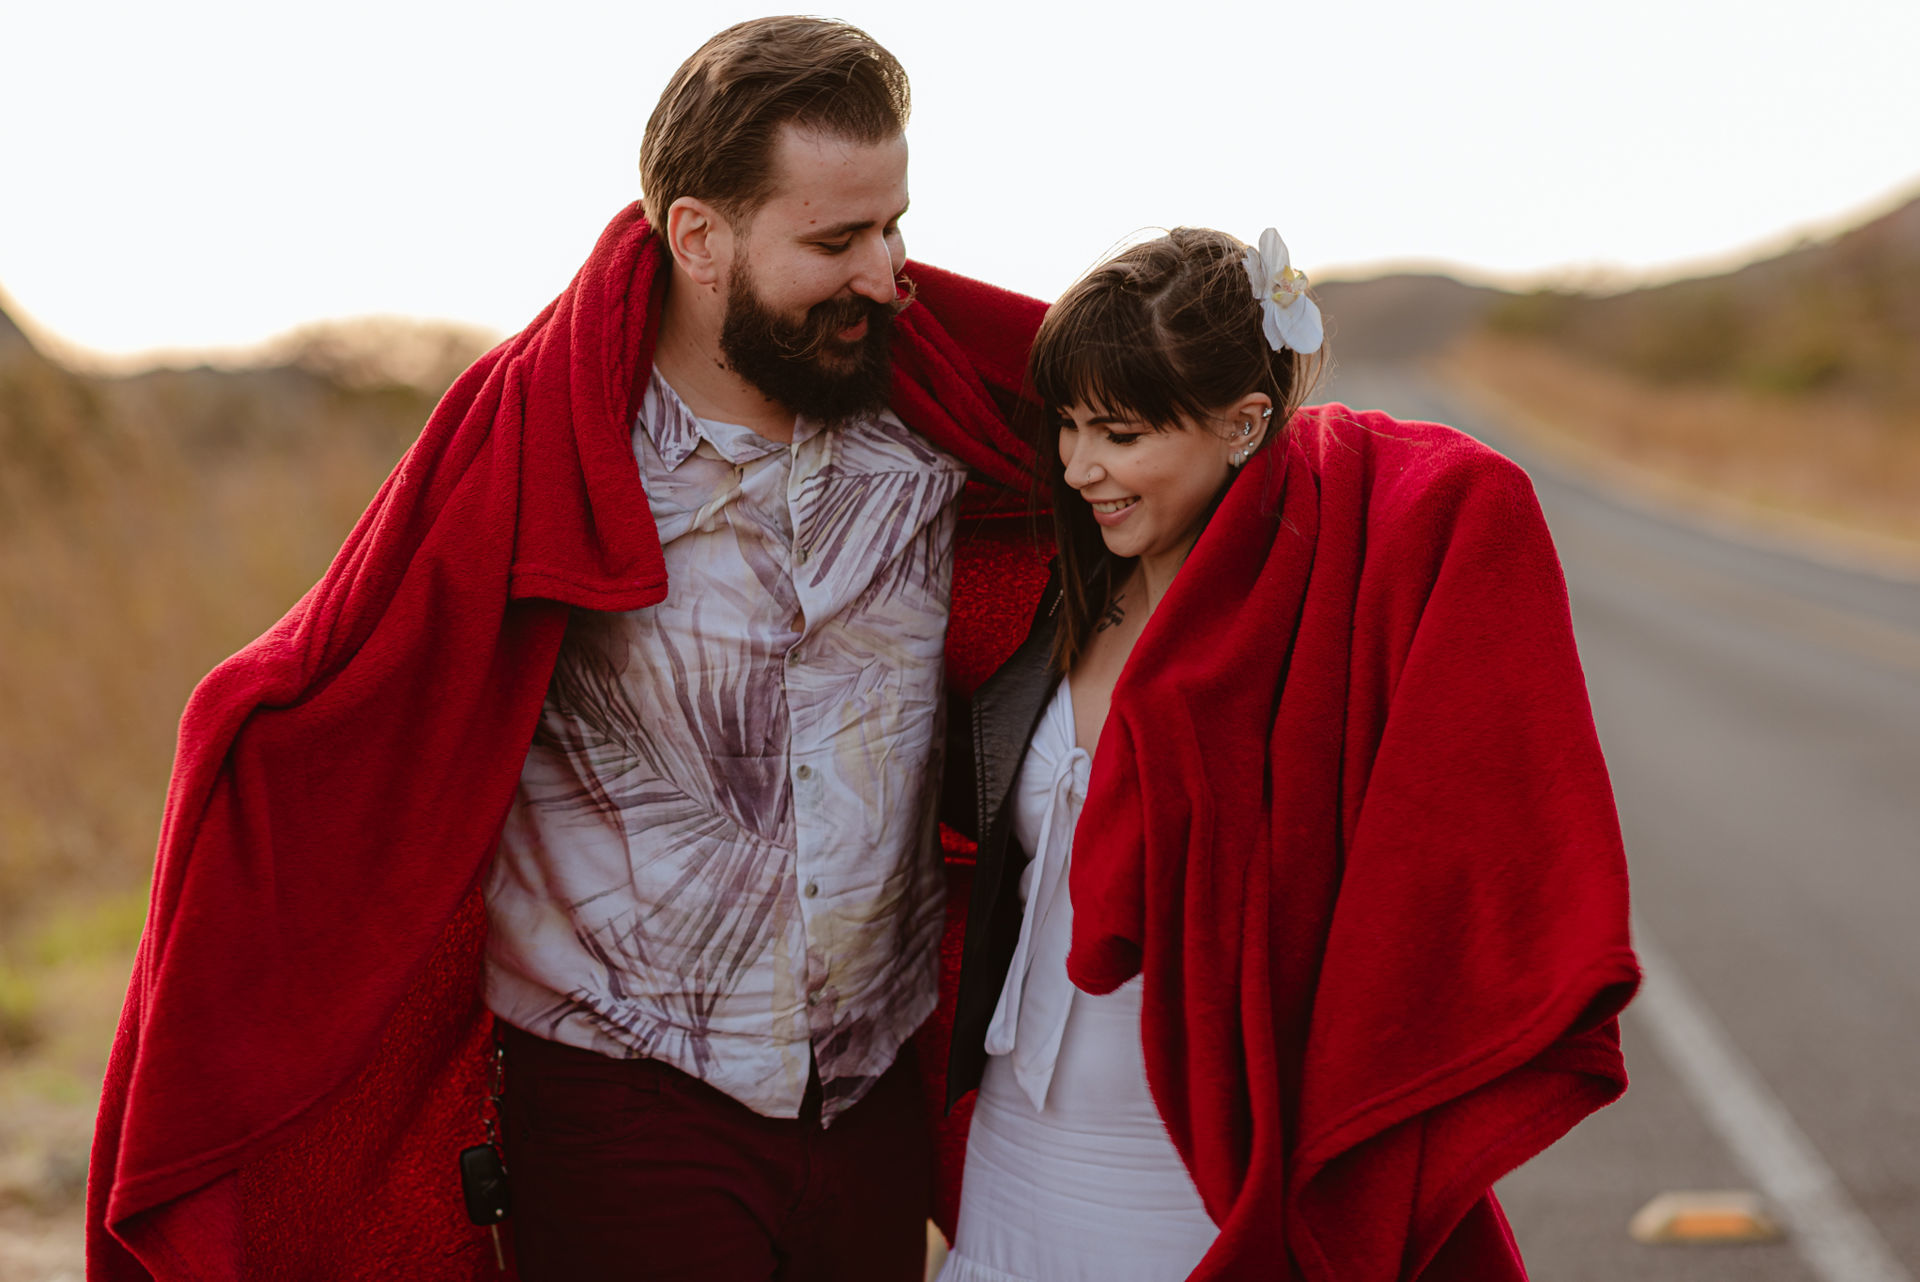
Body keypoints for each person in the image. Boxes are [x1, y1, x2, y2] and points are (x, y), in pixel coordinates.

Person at [87, 18, 1050, 1281]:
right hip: (620, 1097)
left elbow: (1178, 462)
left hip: (867, 1090)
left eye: (893, 227)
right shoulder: (549, 447)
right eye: (834, 241)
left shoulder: (937, 425)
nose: (884, 275)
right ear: (699, 238)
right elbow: (343, 690)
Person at [935, 228, 1639, 1281]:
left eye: (1121, 435)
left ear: (1244, 423)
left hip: (1183, 1173)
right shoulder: (1058, 592)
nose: (1081, 467)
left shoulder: (1314, 615)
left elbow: (1459, 514)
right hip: (1014, 1148)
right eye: (1071, 425)